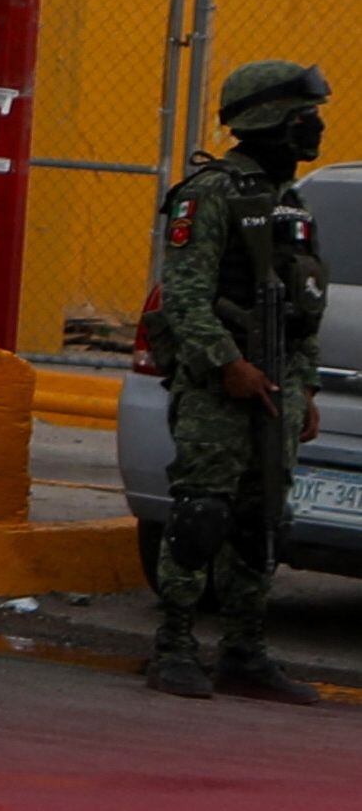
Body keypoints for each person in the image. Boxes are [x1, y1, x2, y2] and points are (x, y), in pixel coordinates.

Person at [140, 59, 329, 702]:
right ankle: (173, 646)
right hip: (220, 390)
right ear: (270, 119)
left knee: (263, 521)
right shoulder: (210, 193)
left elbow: (303, 311)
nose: (315, 129)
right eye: (305, 117)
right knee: (202, 515)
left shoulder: (291, 204)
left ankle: (245, 651)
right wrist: (230, 364)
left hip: (277, 387)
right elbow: (183, 298)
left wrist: (304, 387)